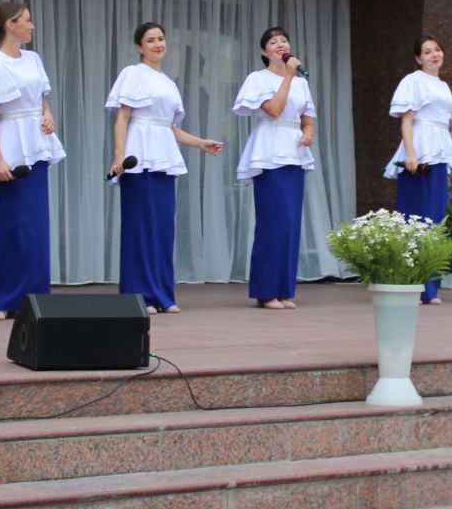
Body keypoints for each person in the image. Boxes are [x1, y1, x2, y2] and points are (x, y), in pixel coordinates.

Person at [106, 22, 224, 314]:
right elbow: (122, 118)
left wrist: (200, 143)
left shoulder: (169, 82)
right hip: (139, 157)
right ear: (139, 46)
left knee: (162, 228)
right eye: (150, 40)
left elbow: (171, 128)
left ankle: (162, 295)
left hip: (164, 158)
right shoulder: (132, 74)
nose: (157, 44)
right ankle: (139, 296)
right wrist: (119, 156)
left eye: (160, 39)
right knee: (140, 228)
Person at [0, 2, 66, 321]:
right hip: (12, 148)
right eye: (27, 20)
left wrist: (48, 114)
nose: (32, 25)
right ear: (10, 25)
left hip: (37, 145)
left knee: (37, 226)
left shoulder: (33, 58)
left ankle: (33, 298)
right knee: (13, 224)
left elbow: (42, 97)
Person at [233, 25, 316, 310]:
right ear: (263, 51)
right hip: (269, 151)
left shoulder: (302, 83)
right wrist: (288, 75)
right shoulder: (258, 78)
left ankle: (284, 289)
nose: (280, 44)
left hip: (294, 151)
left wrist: (308, 133)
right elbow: (274, 109)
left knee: (291, 222)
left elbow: (306, 116)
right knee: (273, 220)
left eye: (284, 40)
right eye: (273, 41)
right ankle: (265, 290)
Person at [385, 37, 452, 305]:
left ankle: (430, 286)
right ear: (418, 58)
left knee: (434, 218)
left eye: (437, 49)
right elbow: (407, 119)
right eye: (427, 52)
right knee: (414, 219)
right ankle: (411, 284)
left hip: (439, 149)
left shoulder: (443, 85)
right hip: (420, 150)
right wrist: (411, 152)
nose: (434, 55)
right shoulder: (412, 80)